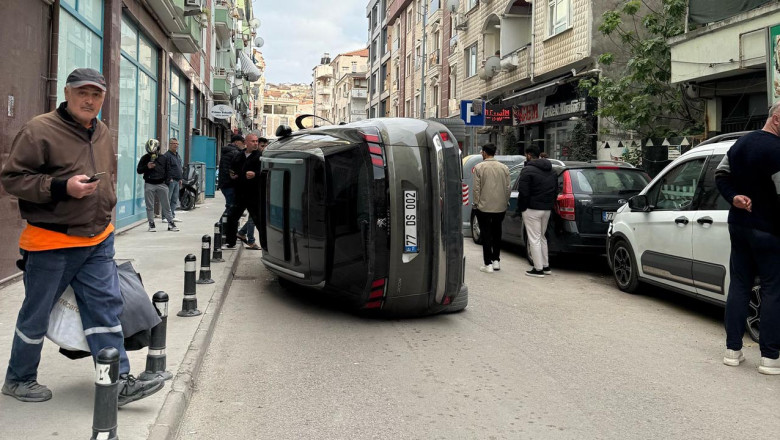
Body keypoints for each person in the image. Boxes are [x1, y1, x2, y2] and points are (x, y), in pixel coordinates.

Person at [0, 68, 164, 405]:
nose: (89, 100)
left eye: (97, 94)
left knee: (105, 310)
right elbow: (13, 179)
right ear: (67, 92)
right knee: (37, 314)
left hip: (97, 240)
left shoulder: (101, 130)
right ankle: (18, 379)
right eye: (82, 93)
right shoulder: (39, 130)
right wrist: (62, 187)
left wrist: (107, 211)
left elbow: (108, 177)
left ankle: (115, 382)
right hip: (51, 243)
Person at [715, 101, 780, 375]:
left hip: (739, 225)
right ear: (776, 119)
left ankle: (733, 351)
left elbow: (720, 174)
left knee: (740, 285)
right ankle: (770, 358)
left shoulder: (740, 144)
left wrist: (734, 198)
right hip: (769, 230)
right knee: (772, 290)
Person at [517, 145, 557, 278]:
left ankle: (538, 269)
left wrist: (522, 207)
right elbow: (555, 191)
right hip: (546, 209)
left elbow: (523, 192)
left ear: (529, 155)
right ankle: (546, 266)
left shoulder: (527, 170)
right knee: (542, 237)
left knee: (534, 239)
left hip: (532, 209)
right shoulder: (552, 170)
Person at [472, 143, 510, 273]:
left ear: (484, 153)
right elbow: (508, 188)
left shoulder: (479, 167)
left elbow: (476, 188)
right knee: (497, 233)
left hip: (484, 207)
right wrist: (505, 201)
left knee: (486, 234)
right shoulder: (504, 168)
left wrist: (476, 203)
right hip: (500, 207)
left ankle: (487, 263)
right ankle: (496, 261)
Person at [224, 133, 263, 250]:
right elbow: (232, 170)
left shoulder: (260, 156)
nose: (255, 143)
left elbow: (265, 173)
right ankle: (230, 242)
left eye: (256, 141)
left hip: (253, 194)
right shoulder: (239, 156)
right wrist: (232, 175)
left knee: (258, 220)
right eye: (253, 141)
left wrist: (255, 174)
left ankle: (267, 245)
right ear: (246, 142)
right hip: (240, 193)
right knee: (232, 217)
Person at [137, 139, 178, 232]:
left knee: (166, 205)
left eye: (154, 151)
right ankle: (151, 224)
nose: (152, 153)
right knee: (149, 206)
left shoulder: (163, 158)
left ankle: (170, 223)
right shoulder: (144, 158)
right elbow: (139, 170)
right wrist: (147, 167)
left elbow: (168, 170)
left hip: (161, 184)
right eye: (150, 152)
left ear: (158, 149)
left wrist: (167, 183)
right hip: (149, 183)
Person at [237, 137, 268, 250]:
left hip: (258, 193)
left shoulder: (262, 158)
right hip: (252, 193)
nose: (263, 148)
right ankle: (251, 240)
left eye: (265, 146)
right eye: (262, 146)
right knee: (253, 217)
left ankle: (242, 233)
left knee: (253, 217)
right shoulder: (253, 158)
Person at [219, 134, 245, 214]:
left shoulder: (228, 151)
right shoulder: (235, 153)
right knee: (231, 207)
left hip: (225, 184)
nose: (244, 144)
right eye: (243, 142)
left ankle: (223, 224)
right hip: (230, 184)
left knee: (230, 206)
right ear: (237, 142)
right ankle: (222, 224)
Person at [164, 137, 183, 222]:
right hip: (170, 181)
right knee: (168, 199)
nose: (176, 145)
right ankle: (165, 217)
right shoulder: (167, 156)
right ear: (170, 145)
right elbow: (166, 168)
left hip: (177, 180)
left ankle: (172, 215)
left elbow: (179, 167)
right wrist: (169, 178)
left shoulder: (177, 155)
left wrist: (180, 178)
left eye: (177, 144)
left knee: (174, 199)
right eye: (174, 144)